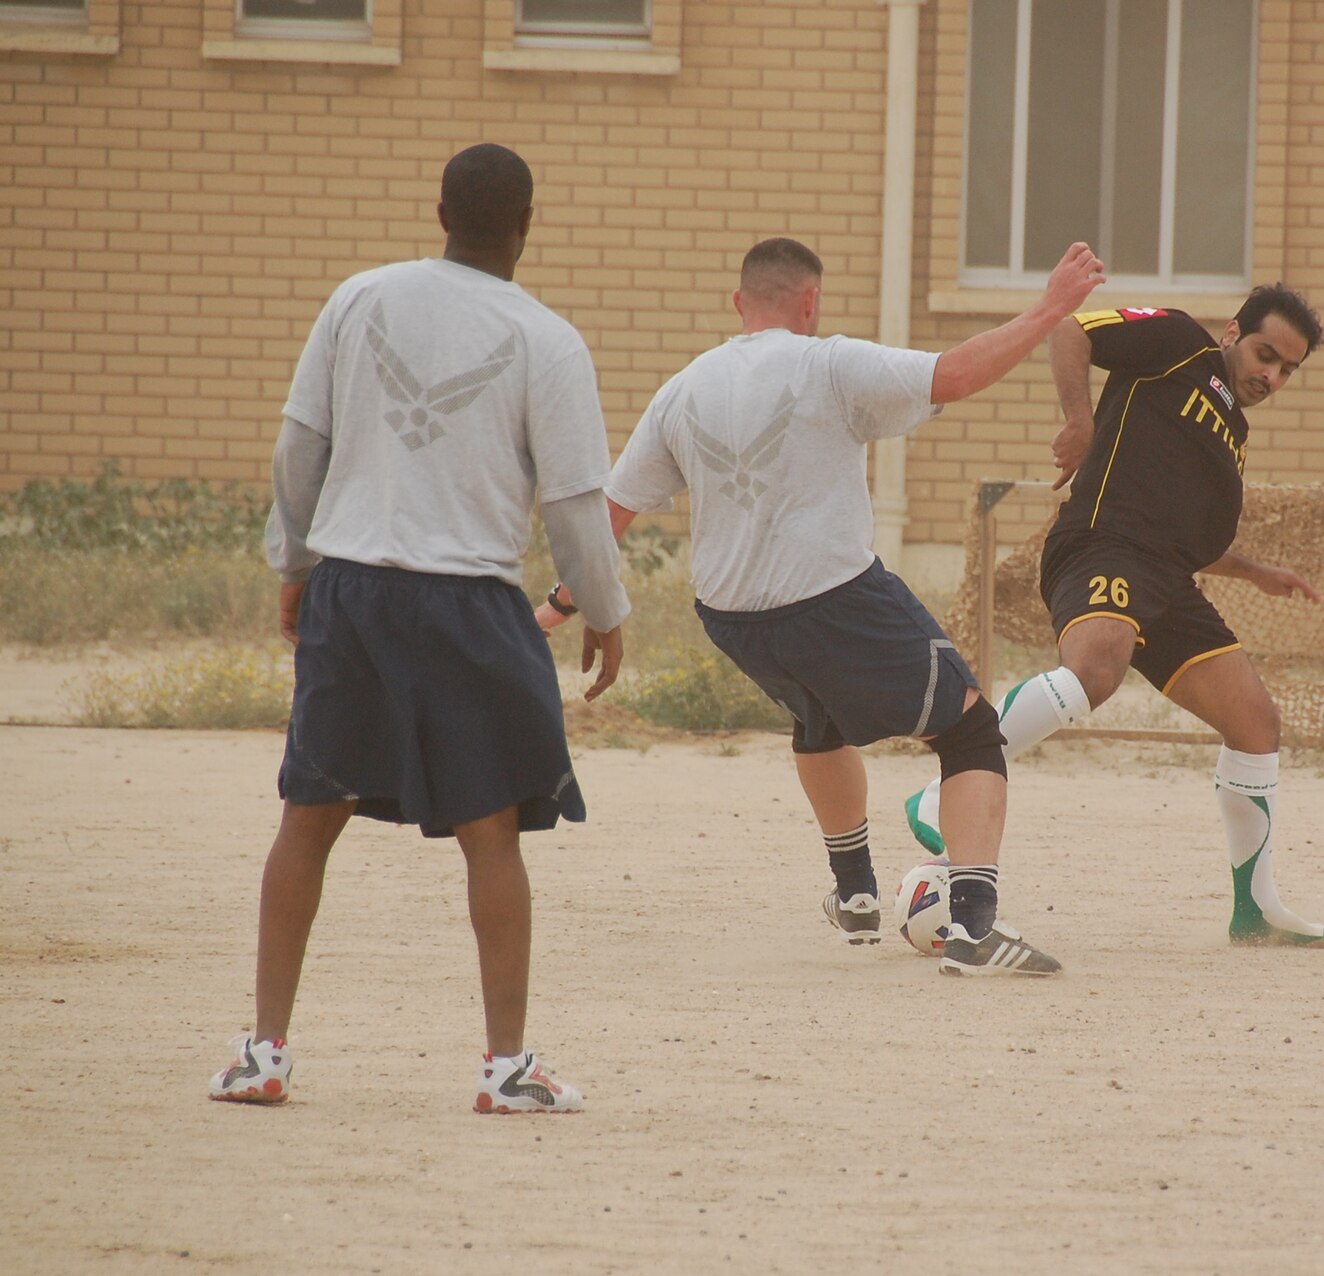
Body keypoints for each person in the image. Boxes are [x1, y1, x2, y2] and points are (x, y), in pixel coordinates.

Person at [541, 236, 1106, 975]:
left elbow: (608, 517)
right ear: (809, 302)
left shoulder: (682, 389)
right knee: (970, 733)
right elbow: (958, 374)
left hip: (731, 617)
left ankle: (857, 895)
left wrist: (553, 609)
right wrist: (1051, 307)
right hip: (833, 599)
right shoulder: (829, 362)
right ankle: (972, 929)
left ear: (741, 302)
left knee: (820, 717)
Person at [207, 144, 631, 1114]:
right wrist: (602, 608)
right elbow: (573, 501)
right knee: (490, 834)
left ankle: (262, 1053)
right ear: (527, 225)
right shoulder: (546, 338)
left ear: (437, 209)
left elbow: (298, 443)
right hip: (471, 604)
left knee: (307, 816)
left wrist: (297, 563)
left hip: (351, 589)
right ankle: (504, 1067)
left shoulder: (360, 299)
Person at [904, 285, 1324, 950]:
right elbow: (1072, 332)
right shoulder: (1180, 346)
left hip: (1165, 582)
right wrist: (1079, 422)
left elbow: (1184, 535)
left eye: (1287, 369)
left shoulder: (1231, 428)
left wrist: (1254, 572)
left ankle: (1257, 910)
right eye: (1266, 354)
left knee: (1256, 722)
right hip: (1102, 545)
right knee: (1095, 667)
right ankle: (941, 789)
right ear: (1234, 332)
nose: (1272, 375)